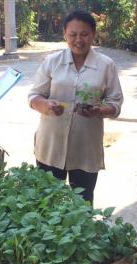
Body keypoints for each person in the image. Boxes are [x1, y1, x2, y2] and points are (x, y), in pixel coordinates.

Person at [28, 10, 123, 205]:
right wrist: (45, 105)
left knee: (83, 205)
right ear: (64, 34)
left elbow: (115, 103)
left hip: (85, 148)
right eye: (73, 34)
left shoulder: (106, 66)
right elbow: (33, 96)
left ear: (93, 34)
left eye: (84, 34)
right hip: (50, 146)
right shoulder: (52, 62)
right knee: (47, 205)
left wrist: (98, 110)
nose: (78, 39)